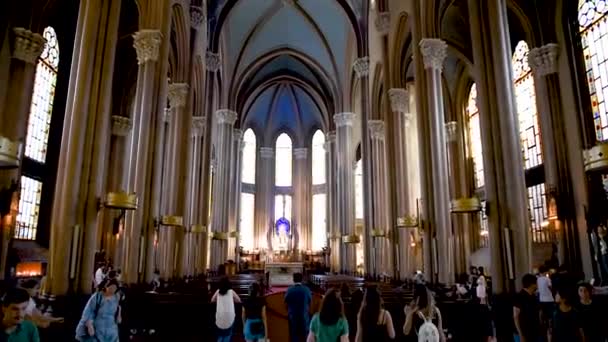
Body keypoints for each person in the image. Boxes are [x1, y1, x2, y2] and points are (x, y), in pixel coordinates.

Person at [211, 277, 241, 342]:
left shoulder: (218, 291)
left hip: (219, 319)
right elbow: (239, 300)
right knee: (227, 335)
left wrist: (218, 299)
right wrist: (232, 300)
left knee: (220, 336)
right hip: (230, 319)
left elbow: (212, 300)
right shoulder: (231, 292)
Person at [513, 274, 541, 342]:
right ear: (532, 284)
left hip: (534, 332)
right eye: (536, 283)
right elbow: (516, 317)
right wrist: (521, 335)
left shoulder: (533, 296)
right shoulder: (519, 297)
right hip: (524, 333)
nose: (537, 285)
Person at [285, 273, 312, 342]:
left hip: (293, 315)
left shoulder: (289, 290)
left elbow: (286, 300)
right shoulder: (306, 289)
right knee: (304, 335)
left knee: (294, 335)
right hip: (304, 315)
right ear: (302, 279)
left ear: (293, 279)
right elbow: (310, 300)